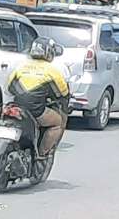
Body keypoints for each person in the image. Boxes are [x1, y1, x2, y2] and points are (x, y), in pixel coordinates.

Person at [4, 36, 71, 170]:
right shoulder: (52, 70)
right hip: (36, 111)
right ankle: (41, 155)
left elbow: (8, 88)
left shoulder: (21, 66)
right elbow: (63, 93)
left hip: (16, 107)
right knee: (57, 122)